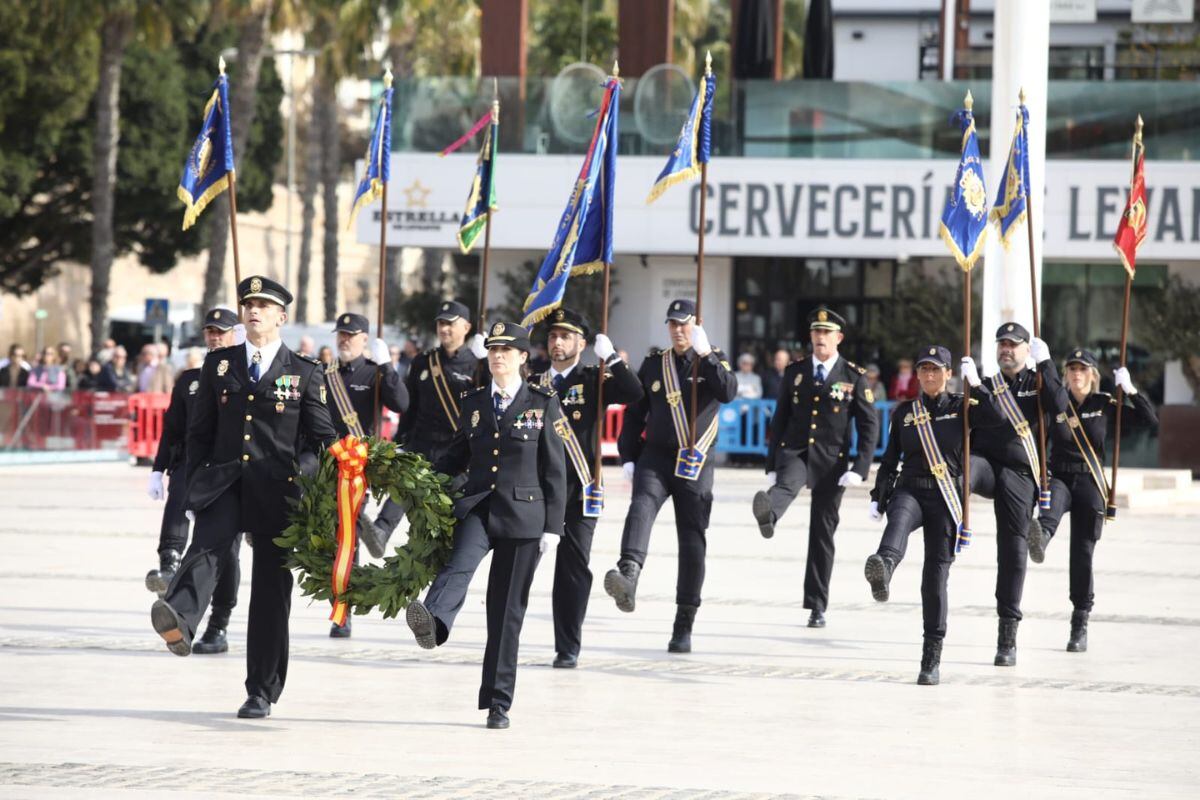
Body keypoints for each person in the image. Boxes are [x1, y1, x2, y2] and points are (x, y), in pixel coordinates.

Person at [150, 275, 337, 719]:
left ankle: (262, 690)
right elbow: (200, 433)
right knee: (209, 544)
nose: (253, 310)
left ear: (281, 317)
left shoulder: (304, 371)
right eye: (248, 303)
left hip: (279, 489)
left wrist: (303, 476)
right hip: (226, 482)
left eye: (264, 305)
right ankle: (180, 617)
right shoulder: (219, 366)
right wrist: (192, 483)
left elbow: (321, 440)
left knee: (272, 591)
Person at [404, 321, 566, 729]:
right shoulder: (474, 402)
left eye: (506, 351)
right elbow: (457, 455)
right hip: (479, 506)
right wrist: (418, 478)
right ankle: (435, 623)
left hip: (525, 517)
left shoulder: (542, 402)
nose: (497, 356)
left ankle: (498, 702)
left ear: (522, 358)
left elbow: (555, 469)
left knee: (505, 612)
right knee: (457, 565)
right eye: (493, 349)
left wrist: (553, 527)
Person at [603, 299, 737, 652]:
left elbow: (728, 392)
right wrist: (628, 455)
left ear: (697, 324)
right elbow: (636, 412)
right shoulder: (654, 364)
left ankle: (684, 622)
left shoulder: (712, 359)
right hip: (657, 457)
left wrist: (706, 355)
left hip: (695, 462)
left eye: (684, 324)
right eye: (673, 324)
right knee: (641, 505)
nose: (678, 331)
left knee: (692, 542)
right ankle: (628, 573)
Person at [863, 347, 998, 685]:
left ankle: (931, 655)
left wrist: (978, 386)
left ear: (948, 373)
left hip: (945, 495)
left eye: (936, 370)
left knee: (934, 576)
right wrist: (879, 496)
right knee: (899, 519)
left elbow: (996, 419)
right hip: (910, 487)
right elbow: (890, 457)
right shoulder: (905, 412)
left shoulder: (962, 406)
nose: (929, 376)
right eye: (923, 370)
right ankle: (884, 567)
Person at [751, 306, 879, 628]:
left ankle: (817, 604)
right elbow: (780, 418)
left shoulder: (853, 376)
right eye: (815, 332)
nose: (820, 338)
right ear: (810, 336)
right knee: (784, 486)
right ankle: (770, 514)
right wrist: (770, 462)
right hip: (795, 451)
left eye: (826, 333)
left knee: (822, 533)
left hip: (832, 460)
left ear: (838, 338)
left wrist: (860, 467)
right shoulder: (795, 372)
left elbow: (868, 425)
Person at [528, 307, 642, 668]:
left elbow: (634, 393)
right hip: (537, 489)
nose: (557, 342)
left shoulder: (594, 378)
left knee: (573, 570)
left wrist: (613, 358)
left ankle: (567, 646)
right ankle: (506, 632)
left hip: (580, 489)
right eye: (552, 336)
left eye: (565, 336)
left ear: (581, 342)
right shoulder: (532, 379)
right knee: (520, 565)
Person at [1037, 348, 1157, 652]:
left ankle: (1080, 623)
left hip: (1089, 480)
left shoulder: (1105, 404)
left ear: (1092, 374)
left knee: (1082, 553)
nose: (1076, 374)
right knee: (1049, 512)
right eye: (1071, 369)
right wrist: (1043, 362)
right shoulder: (1056, 401)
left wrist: (1130, 390)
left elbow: (1149, 420)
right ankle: (1040, 536)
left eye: (1082, 369)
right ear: (1065, 374)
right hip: (1060, 476)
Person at [145, 309, 243, 655]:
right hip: (194, 465)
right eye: (211, 332)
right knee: (186, 513)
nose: (215, 337)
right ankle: (170, 566)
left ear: (236, 335)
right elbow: (172, 430)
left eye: (222, 332)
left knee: (227, 552)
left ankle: (218, 623)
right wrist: (158, 469)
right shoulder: (190, 379)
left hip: (231, 473)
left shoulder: (245, 375)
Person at [362, 300, 484, 555]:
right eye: (441, 323)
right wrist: (399, 442)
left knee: (449, 525)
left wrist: (487, 365)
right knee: (403, 485)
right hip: (422, 443)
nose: (444, 329)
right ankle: (381, 532)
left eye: (450, 324)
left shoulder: (478, 365)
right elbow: (410, 406)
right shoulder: (423, 362)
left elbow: (491, 403)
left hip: (456, 453)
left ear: (467, 327)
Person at [969, 322, 1059, 667]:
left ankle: (1007, 632)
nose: (1006, 349)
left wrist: (1047, 364)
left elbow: (1060, 403)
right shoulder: (986, 384)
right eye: (1001, 344)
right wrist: (969, 386)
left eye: (1014, 344)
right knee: (960, 474)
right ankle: (944, 523)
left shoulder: (1037, 383)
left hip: (1021, 474)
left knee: (1012, 549)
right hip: (986, 465)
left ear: (1026, 349)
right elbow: (972, 421)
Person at [322, 312, 409, 638]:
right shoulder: (324, 373)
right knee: (337, 539)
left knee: (347, 540)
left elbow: (401, 403)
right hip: (325, 461)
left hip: (358, 465)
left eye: (351, 335)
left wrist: (387, 367)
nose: (344, 340)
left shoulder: (373, 373)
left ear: (364, 339)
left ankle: (342, 612)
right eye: (340, 334)